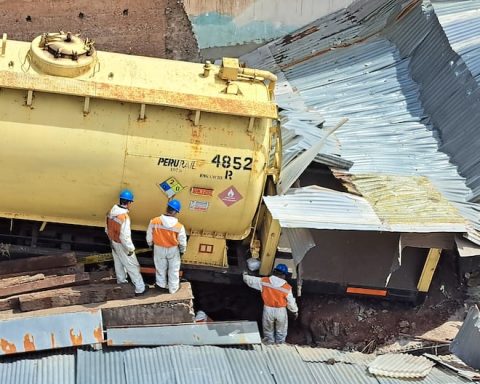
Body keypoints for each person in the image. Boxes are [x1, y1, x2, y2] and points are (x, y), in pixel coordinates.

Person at [106, 189, 148, 296]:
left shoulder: (111, 212)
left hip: (114, 242)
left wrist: (111, 239)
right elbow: (125, 236)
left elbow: (107, 228)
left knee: (119, 263)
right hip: (122, 245)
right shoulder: (124, 217)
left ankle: (121, 283)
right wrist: (130, 249)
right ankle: (140, 288)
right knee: (132, 266)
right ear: (129, 203)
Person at [243, 264, 298, 344]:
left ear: (274, 271)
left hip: (268, 309)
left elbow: (251, 281)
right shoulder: (287, 288)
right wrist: (295, 311)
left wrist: (245, 275)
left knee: (268, 330)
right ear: (284, 275)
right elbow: (291, 302)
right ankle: (280, 344)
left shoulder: (264, 281)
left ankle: (269, 344)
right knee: (281, 331)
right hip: (280, 311)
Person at [146, 199, 187, 294]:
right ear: (176, 212)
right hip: (173, 249)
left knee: (160, 268)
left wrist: (150, 245)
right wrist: (182, 251)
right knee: (174, 269)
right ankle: (173, 289)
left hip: (158, 248)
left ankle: (161, 286)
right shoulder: (179, 226)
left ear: (167, 208)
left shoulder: (154, 221)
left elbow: (149, 236)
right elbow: (182, 241)